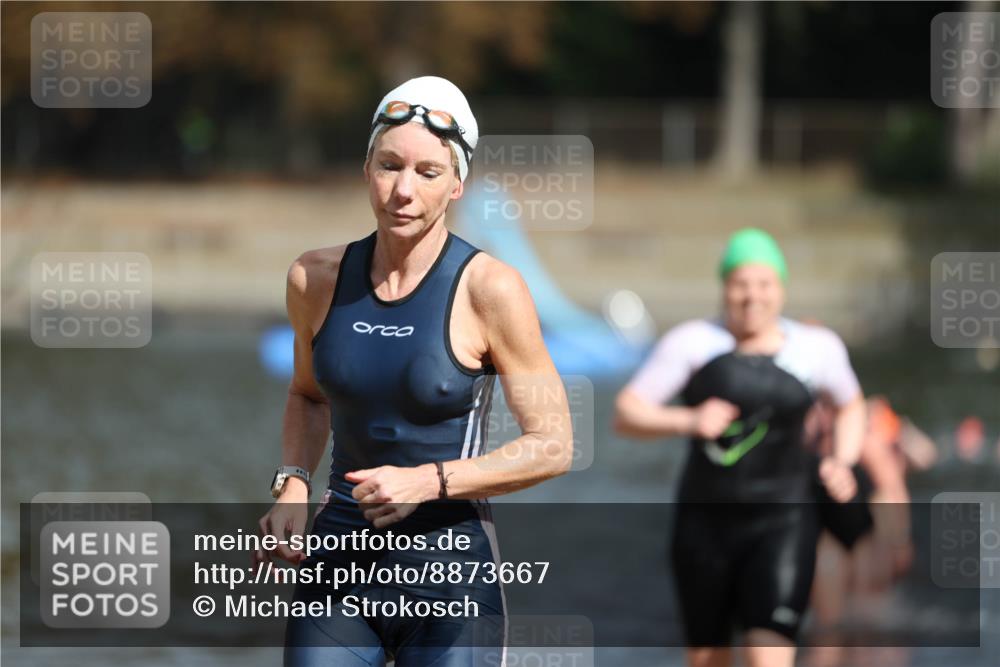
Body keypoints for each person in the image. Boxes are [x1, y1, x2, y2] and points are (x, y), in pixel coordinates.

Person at [254, 76, 573, 667]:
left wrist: (428, 481)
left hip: (451, 574)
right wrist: (294, 481)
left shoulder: (491, 290)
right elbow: (308, 395)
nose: (402, 191)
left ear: (457, 185)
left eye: (427, 173)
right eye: (389, 165)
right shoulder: (314, 279)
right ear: (366, 168)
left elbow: (553, 446)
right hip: (339, 569)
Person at [614, 228, 866, 667]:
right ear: (724, 288)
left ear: (781, 289)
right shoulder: (693, 342)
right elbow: (627, 412)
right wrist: (688, 420)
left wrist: (842, 462)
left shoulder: (816, 349)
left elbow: (850, 406)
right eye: (740, 284)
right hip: (704, 527)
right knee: (709, 660)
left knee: (768, 657)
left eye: (764, 284)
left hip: (784, 522)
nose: (753, 297)